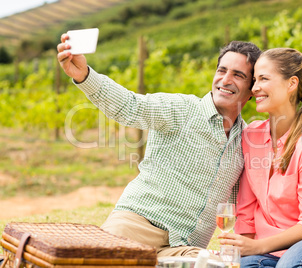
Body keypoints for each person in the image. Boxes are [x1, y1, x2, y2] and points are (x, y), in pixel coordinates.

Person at [57, 35, 261, 258]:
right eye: (222, 71)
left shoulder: (246, 141)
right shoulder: (180, 109)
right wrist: (85, 76)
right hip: (135, 228)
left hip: (184, 248)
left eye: (238, 75)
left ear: (252, 89)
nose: (226, 79)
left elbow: (238, 206)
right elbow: (129, 106)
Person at [218, 48, 302, 268]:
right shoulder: (250, 136)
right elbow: (246, 209)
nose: (255, 88)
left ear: (291, 84)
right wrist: (242, 252)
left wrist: (258, 248)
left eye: (263, 79)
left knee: (290, 266)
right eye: (254, 80)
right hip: (273, 249)